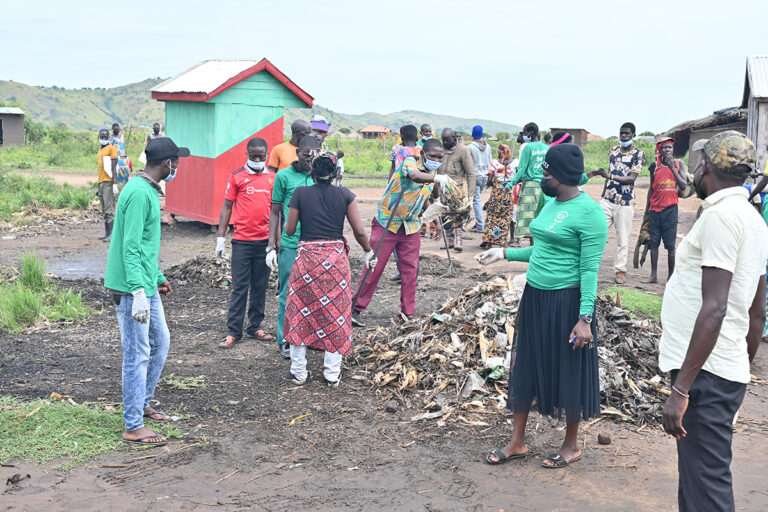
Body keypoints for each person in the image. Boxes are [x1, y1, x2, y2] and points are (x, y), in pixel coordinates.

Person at [478, 143, 608, 469]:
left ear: (562, 176)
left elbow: (589, 269)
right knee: (527, 364)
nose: (542, 177)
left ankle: (571, 445)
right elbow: (543, 251)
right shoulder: (550, 203)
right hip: (535, 297)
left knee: (569, 368)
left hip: (567, 302)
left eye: (547, 172)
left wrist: (585, 318)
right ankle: (517, 441)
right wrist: (504, 253)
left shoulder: (590, 214)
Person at [658, 131, 768, 512]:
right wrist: (742, 363)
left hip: (706, 375)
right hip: (722, 367)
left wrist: (682, 389)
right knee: (697, 479)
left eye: (698, 162)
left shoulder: (721, 217)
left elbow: (716, 306)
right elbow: (757, 311)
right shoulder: (752, 218)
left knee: (707, 487)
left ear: (705, 166)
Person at [104, 136, 190, 447]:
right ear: (167, 163)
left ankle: (143, 402)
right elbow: (129, 247)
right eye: (176, 161)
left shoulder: (146, 190)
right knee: (137, 354)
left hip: (143, 281)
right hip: (131, 288)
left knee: (160, 341)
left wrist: (156, 277)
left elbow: (144, 248)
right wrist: (139, 291)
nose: (178, 166)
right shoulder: (139, 194)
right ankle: (132, 425)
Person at [283, 151, 376, 386]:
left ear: (311, 172)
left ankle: (299, 372)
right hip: (335, 262)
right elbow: (359, 232)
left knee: (299, 311)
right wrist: (368, 252)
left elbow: (291, 230)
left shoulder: (301, 193)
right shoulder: (345, 194)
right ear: (336, 174)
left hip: (307, 261)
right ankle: (332, 374)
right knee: (335, 314)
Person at [351, 139, 455, 325]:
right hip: (388, 223)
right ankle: (355, 308)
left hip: (410, 227)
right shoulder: (410, 162)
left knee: (410, 272)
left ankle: (407, 313)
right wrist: (437, 178)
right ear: (423, 153)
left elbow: (424, 198)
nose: (435, 160)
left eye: (439, 158)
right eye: (432, 156)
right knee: (375, 267)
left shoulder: (433, 174)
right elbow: (415, 177)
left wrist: (436, 222)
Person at [216, 138, 275, 348]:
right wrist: (221, 238)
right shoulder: (237, 177)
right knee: (240, 287)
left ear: (266, 155)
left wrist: (274, 244)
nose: (257, 160)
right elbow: (226, 207)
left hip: (265, 244)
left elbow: (277, 212)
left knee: (260, 286)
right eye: (253, 156)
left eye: (261, 156)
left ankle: (254, 326)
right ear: (247, 154)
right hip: (242, 242)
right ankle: (234, 331)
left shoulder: (273, 178)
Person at [268, 135, 320, 358]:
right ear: (297, 152)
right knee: (287, 293)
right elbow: (275, 211)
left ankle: (309, 338)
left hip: (316, 243)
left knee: (315, 293)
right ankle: (285, 339)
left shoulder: (322, 177)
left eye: (314, 155)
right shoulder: (283, 176)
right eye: (305, 154)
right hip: (291, 243)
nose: (309, 159)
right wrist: (271, 245)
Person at [595, 122, 645, 284]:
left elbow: (631, 178)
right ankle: (590, 266)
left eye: (627, 134)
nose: (623, 136)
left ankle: (620, 270)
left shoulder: (638, 154)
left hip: (625, 202)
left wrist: (610, 177)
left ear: (633, 136)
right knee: (596, 232)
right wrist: (602, 196)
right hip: (608, 200)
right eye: (621, 133)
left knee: (622, 239)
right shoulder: (613, 151)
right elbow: (609, 173)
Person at [641, 137, 688, 284]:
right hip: (655, 210)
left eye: (670, 148)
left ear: (672, 150)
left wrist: (672, 169)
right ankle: (653, 275)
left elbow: (683, 185)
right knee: (653, 244)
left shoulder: (679, 164)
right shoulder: (654, 166)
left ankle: (670, 278)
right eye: (664, 148)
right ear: (659, 150)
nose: (667, 150)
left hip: (670, 209)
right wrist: (647, 210)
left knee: (670, 246)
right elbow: (651, 188)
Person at [507, 122, 548, 244]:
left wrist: (510, 184)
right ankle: (542, 247)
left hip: (531, 187)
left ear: (530, 133)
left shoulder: (528, 148)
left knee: (530, 219)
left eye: (525, 133)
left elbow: (521, 171)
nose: (524, 135)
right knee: (543, 217)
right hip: (546, 187)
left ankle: (533, 247)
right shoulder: (547, 148)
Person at [439, 128, 475, 251]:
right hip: (442, 189)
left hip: (458, 189)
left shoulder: (463, 150)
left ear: (454, 137)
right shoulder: (441, 149)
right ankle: (449, 240)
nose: (444, 142)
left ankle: (458, 240)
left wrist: (471, 195)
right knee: (444, 215)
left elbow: (470, 173)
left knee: (458, 214)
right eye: (443, 140)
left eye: (447, 140)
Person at [481, 144, 519, 248]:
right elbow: (519, 176)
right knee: (506, 217)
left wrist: (489, 184)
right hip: (509, 192)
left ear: (500, 152)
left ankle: (488, 239)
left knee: (492, 216)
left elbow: (490, 178)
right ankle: (502, 241)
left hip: (497, 193)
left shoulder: (494, 163)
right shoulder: (516, 162)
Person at [469, 125, 492, 234]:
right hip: (485, 175)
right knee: (478, 199)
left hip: (475, 176)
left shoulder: (470, 147)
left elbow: (468, 163)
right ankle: (479, 222)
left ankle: (480, 225)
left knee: (476, 201)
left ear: (473, 134)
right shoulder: (488, 146)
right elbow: (490, 161)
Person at [96, 128, 119, 242]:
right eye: (102, 136)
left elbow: (114, 168)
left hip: (108, 182)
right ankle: (107, 233)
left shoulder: (112, 149)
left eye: (105, 137)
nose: (103, 138)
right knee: (104, 209)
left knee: (109, 209)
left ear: (108, 137)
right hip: (101, 182)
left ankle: (112, 235)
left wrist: (115, 184)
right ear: (99, 137)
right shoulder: (100, 150)